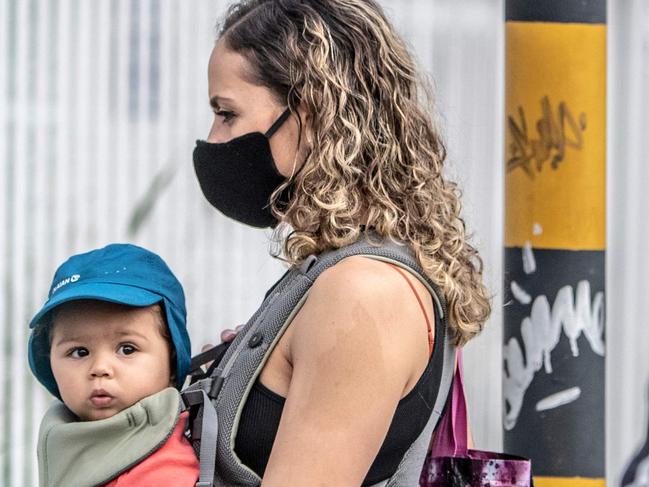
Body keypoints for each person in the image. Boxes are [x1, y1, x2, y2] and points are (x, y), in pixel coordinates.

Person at [192, 0, 491, 484]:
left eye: (226, 113)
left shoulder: (365, 291)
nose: (213, 138)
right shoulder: (336, 271)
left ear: (308, 115)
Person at [28, 243, 199, 487]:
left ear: (172, 359)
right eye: (79, 352)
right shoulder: (66, 437)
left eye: (127, 349)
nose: (100, 368)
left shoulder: (160, 469)